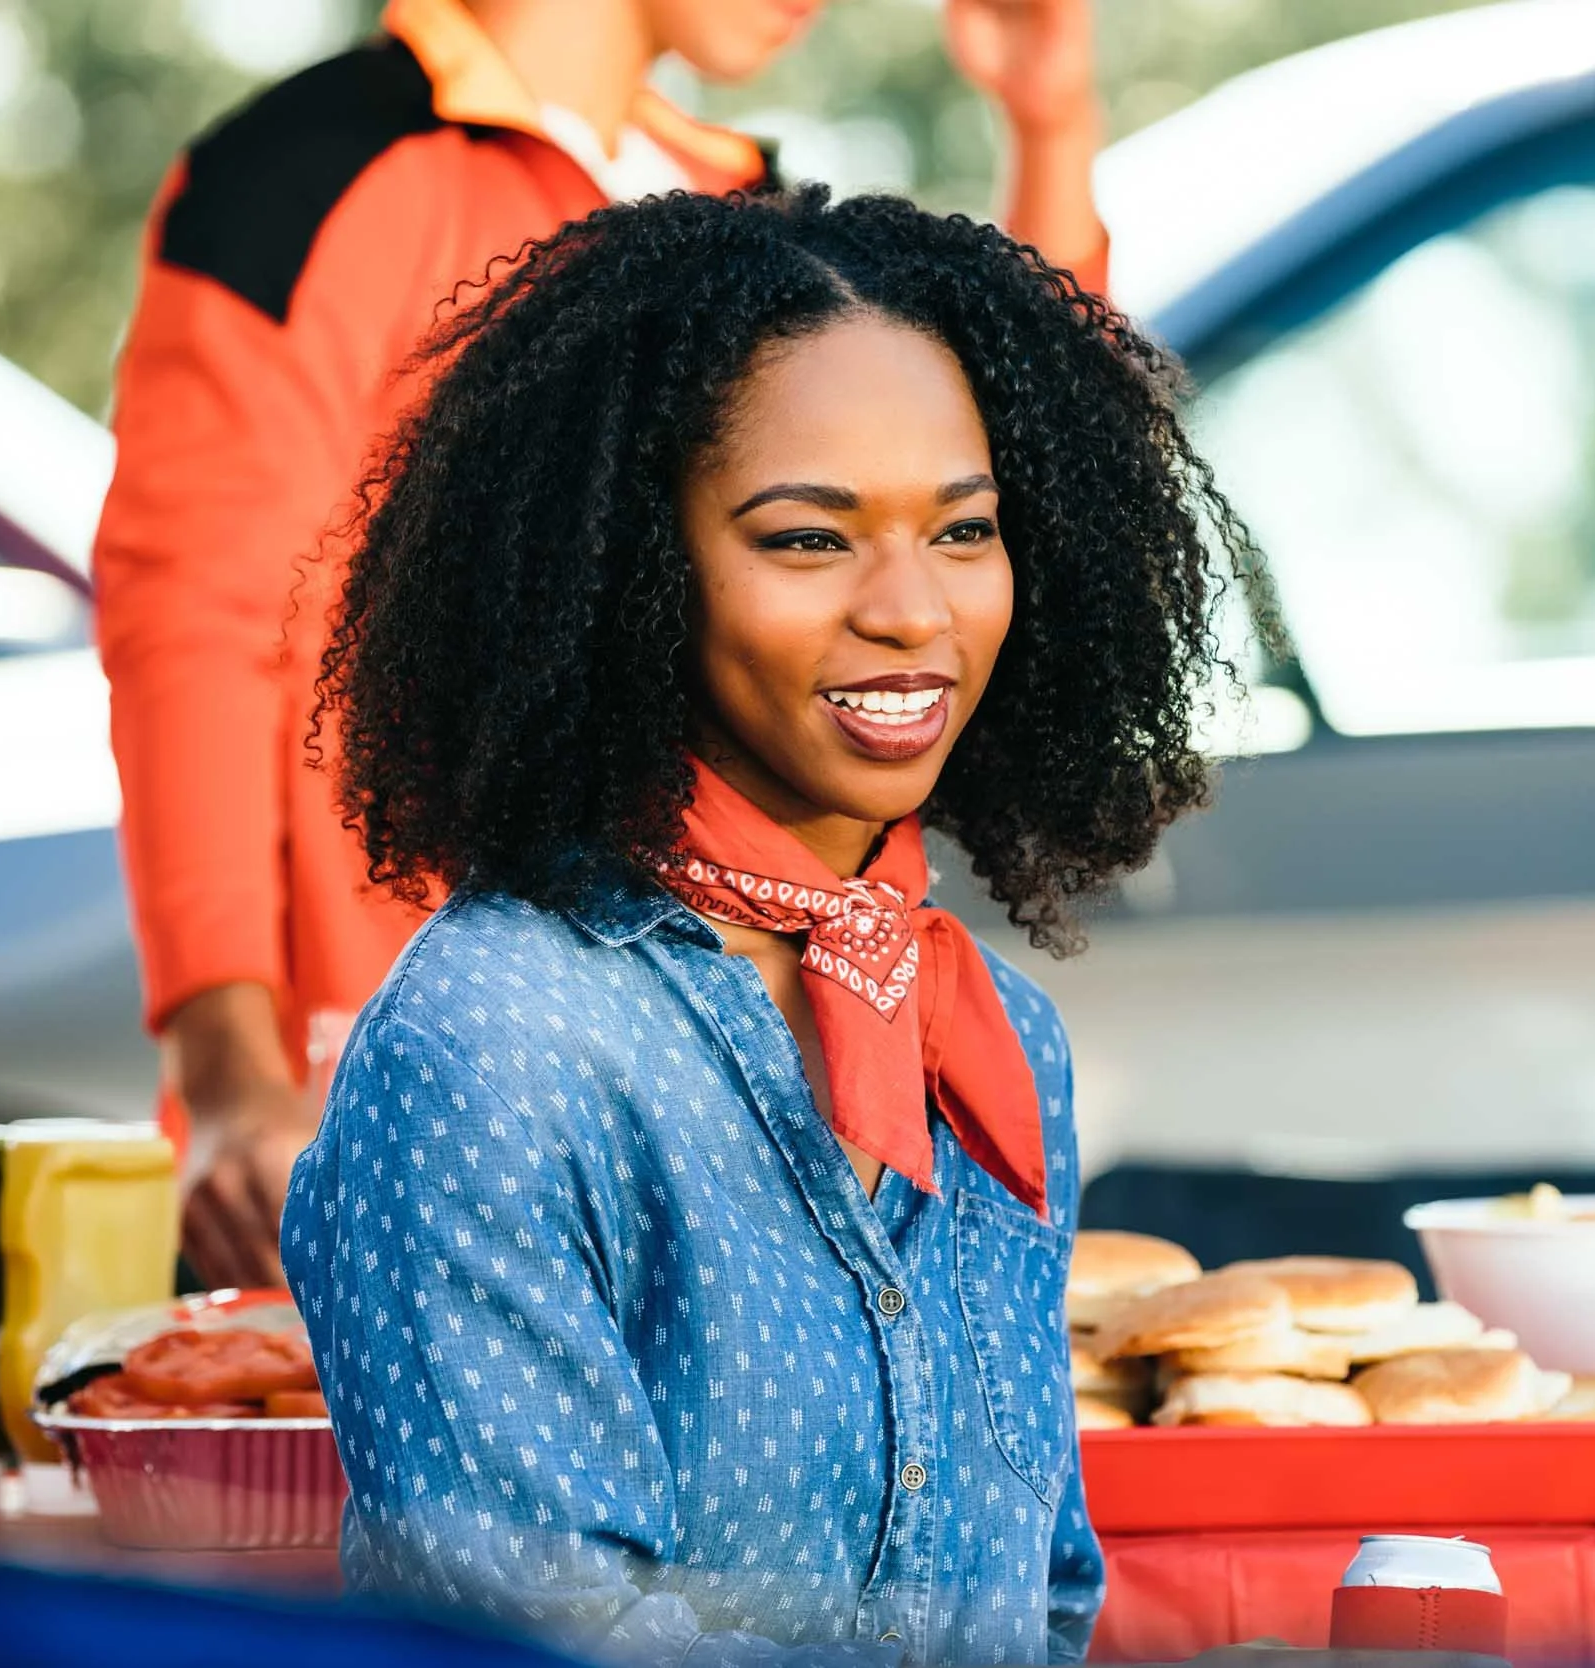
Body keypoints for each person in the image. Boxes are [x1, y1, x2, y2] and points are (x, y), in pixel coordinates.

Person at [279, 185, 1250, 1660]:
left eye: (966, 529)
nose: (912, 610)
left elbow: (1040, 1597)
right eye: (809, 541)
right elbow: (541, 1635)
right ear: (628, 574)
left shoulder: (994, 1040)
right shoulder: (500, 1046)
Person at [92, 0, 1109, 1291]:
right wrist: (230, 1073)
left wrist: (1049, 120)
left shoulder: (742, 209)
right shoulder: (311, 171)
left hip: (739, 1090)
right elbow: (194, 620)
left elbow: (1034, 480)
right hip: (397, 1108)